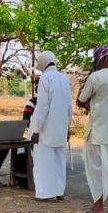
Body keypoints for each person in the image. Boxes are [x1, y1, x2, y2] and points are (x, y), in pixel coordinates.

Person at [75, 45, 108, 213]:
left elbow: (80, 101)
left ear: (100, 60)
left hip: (98, 132)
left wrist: (89, 102)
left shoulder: (95, 77)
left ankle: (98, 208)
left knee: (96, 169)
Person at [29, 51, 72, 201]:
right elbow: (69, 107)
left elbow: (42, 106)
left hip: (46, 129)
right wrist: (68, 128)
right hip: (61, 127)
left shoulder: (45, 78)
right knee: (59, 162)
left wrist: (36, 130)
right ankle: (59, 192)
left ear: (42, 62)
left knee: (43, 162)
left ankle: (44, 193)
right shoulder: (64, 79)